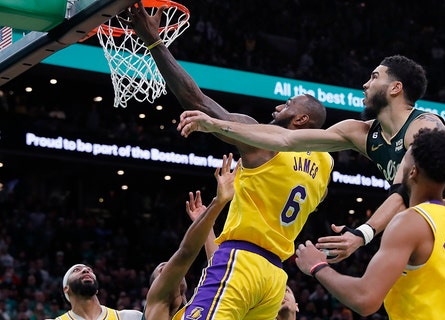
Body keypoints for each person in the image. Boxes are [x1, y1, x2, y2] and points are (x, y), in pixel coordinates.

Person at [177, 55, 445, 319]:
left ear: (395, 88)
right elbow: (287, 138)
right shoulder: (361, 132)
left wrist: (361, 234)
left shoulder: (425, 125)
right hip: (432, 242)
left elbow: (404, 194)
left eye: (375, 76)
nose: (365, 83)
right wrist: (216, 125)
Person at [126, 4, 334, 319]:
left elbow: (195, 100)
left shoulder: (264, 142)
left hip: (242, 260)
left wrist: (154, 42)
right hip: (275, 278)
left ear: (302, 119)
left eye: (289, 104)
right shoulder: (325, 163)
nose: (279, 105)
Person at [296, 128, 445, 318]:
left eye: (404, 160)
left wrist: (317, 266)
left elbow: (365, 299)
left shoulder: (412, 222)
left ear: (413, 171)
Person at [143, 153, 236, 320]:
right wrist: (218, 203)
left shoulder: (197, 306)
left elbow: (218, 268)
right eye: (162, 270)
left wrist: (206, 224)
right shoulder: (158, 303)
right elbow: (185, 253)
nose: (169, 269)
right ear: (154, 287)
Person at [55, 264, 142, 320]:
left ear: (96, 290)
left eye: (89, 270)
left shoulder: (131, 317)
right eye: (76, 270)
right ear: (66, 289)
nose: (85, 270)